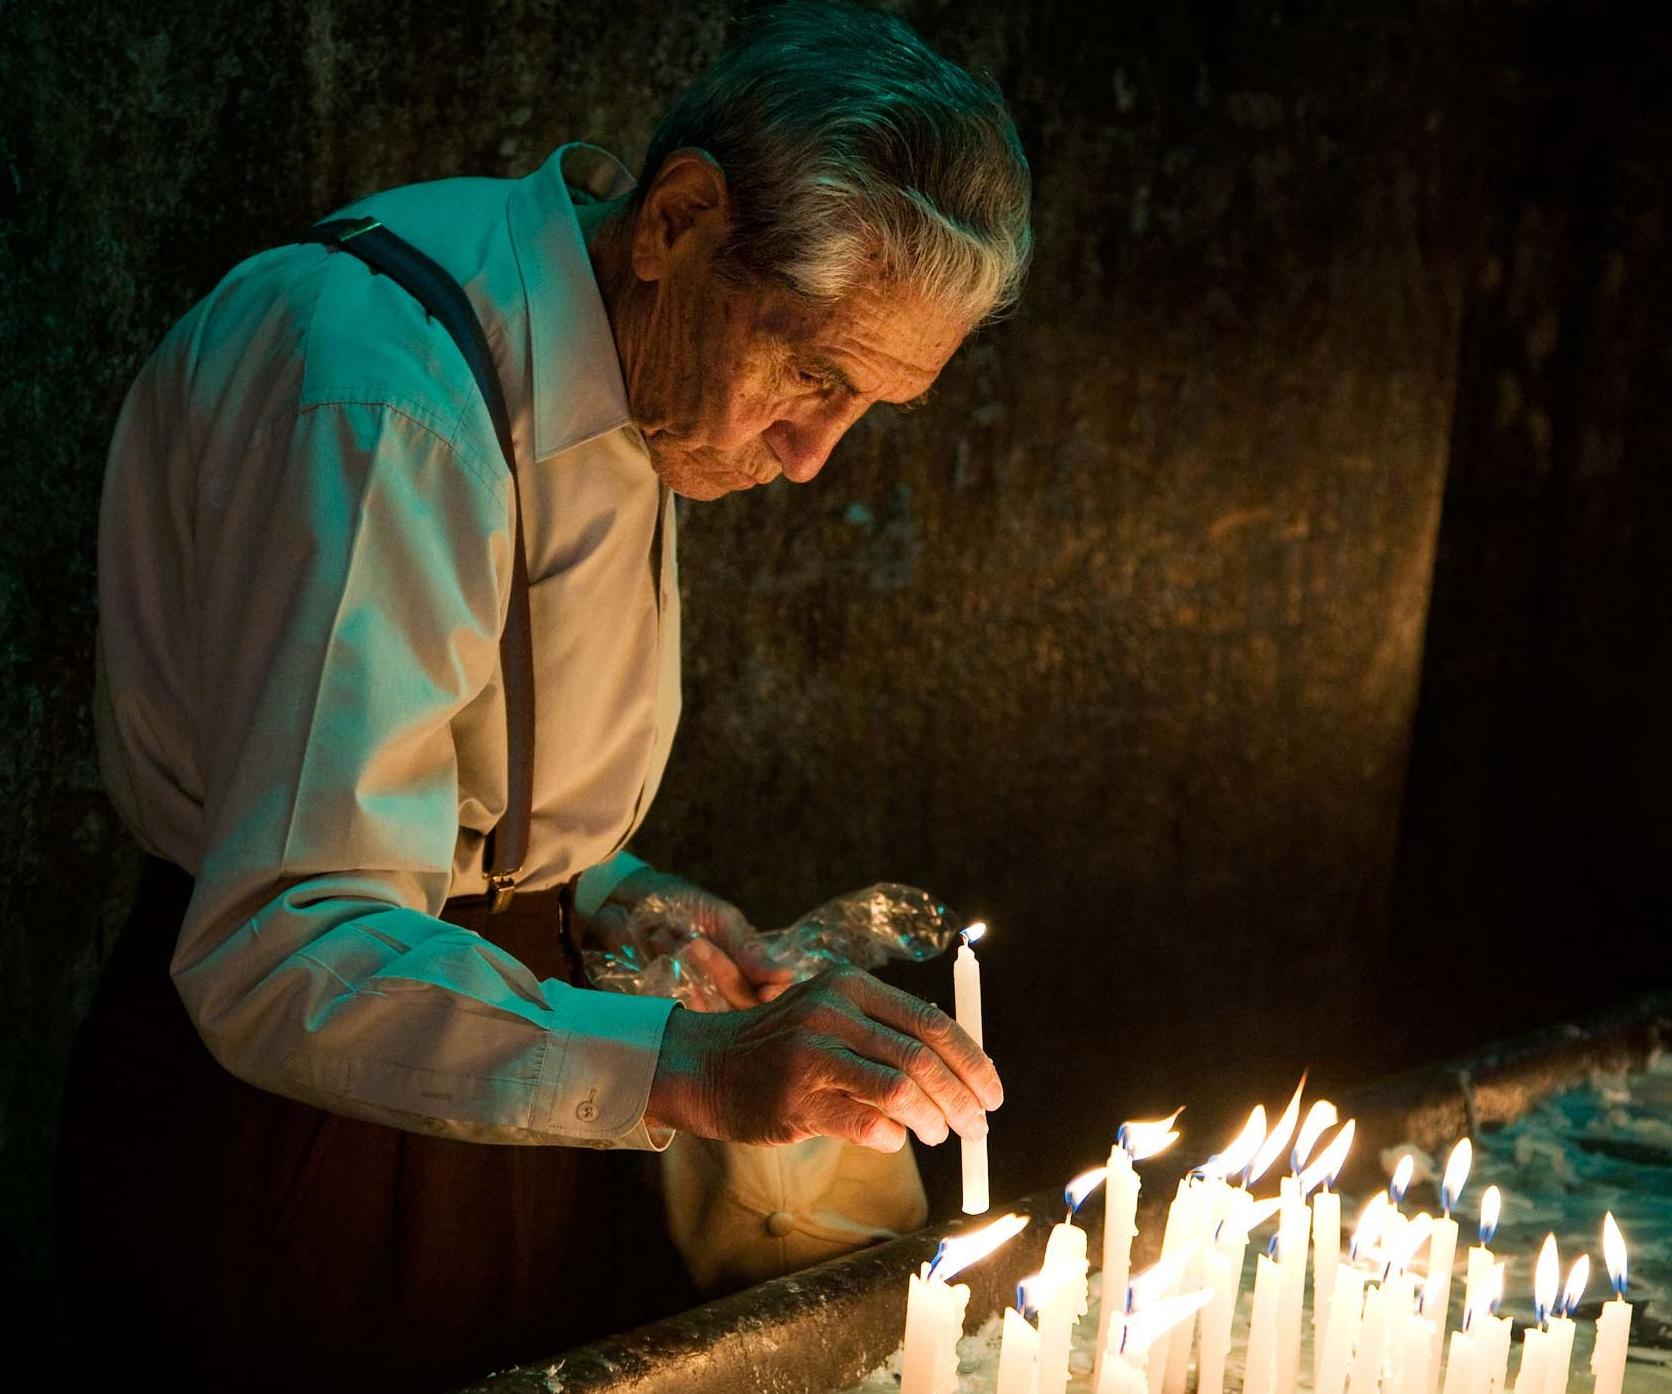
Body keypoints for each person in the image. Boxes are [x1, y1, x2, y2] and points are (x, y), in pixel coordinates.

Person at [57, 2, 1032, 1389]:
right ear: (679, 220)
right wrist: (699, 1062)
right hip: (290, 1137)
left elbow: (438, 771)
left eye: (868, 404)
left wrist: (609, 891)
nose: (816, 455)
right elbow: (284, 939)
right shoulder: (390, 400)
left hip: (494, 1085)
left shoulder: (639, 351)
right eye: (811, 372)